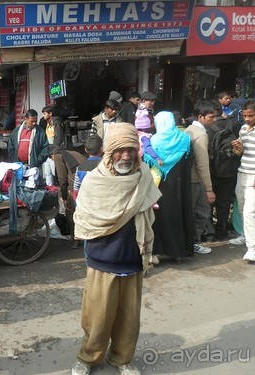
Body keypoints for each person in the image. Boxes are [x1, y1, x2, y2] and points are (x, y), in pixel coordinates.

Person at [72, 123, 161, 375]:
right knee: (97, 319)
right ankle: (87, 358)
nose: (126, 156)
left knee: (129, 320)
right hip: (102, 259)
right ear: (109, 152)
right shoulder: (94, 182)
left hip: (133, 259)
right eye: (119, 151)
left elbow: (148, 215)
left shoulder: (143, 176)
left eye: (131, 150)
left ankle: (122, 358)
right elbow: (85, 220)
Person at [143, 111, 194, 261]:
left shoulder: (153, 141)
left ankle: (156, 253)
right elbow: (189, 161)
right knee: (178, 216)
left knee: (158, 219)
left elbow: (147, 163)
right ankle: (178, 252)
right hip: (179, 187)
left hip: (158, 188)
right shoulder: (185, 139)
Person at [185, 100, 217, 255]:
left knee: (197, 212)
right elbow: (202, 164)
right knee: (201, 212)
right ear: (201, 117)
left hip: (190, 179)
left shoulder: (189, 130)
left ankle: (191, 242)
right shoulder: (201, 135)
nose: (214, 120)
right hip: (195, 181)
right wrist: (209, 189)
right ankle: (192, 242)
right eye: (211, 117)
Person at [206, 113, 241, 240]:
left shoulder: (208, 128)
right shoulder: (236, 125)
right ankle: (222, 231)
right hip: (229, 172)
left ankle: (209, 233)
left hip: (211, 172)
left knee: (208, 203)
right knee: (224, 203)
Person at [231, 100, 255, 261]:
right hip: (242, 174)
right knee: (241, 209)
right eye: (245, 115)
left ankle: (252, 248)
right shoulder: (243, 129)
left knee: (249, 212)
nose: (247, 119)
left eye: (250, 116)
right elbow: (240, 153)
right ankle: (246, 236)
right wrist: (237, 148)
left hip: (253, 176)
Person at [73, 134, 103, 200]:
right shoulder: (106, 166)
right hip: (102, 199)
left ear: (85, 150)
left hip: (86, 200)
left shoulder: (80, 168)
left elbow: (76, 188)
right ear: (102, 149)